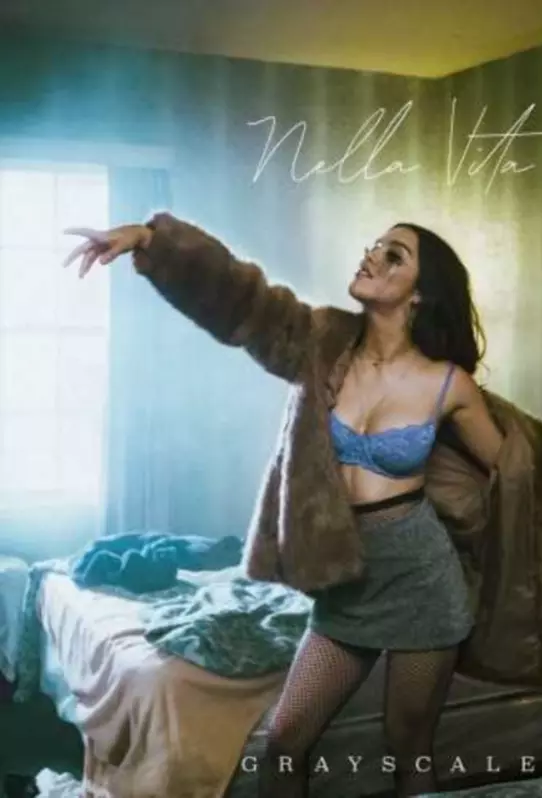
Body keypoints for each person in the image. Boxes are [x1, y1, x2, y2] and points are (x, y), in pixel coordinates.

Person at [64, 219, 504, 797]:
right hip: (348, 579)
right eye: (374, 244)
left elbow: (517, 474)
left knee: (408, 746)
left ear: (421, 292)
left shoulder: (449, 384)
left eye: (394, 255)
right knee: (285, 740)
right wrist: (154, 243)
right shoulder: (322, 342)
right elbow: (245, 303)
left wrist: (487, 553)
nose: (372, 255)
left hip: (422, 579)